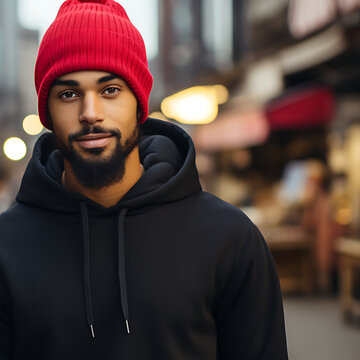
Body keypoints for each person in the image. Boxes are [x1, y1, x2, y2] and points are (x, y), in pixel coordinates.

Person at [0, 0, 288, 359]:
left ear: (139, 103)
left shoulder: (229, 238)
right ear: (47, 113)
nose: (90, 113)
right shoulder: (7, 247)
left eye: (110, 90)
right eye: (69, 94)